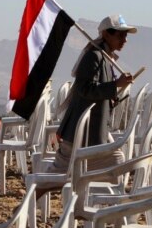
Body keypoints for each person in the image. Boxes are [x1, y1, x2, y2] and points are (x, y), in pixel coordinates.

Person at [51, 14, 136, 173]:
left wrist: (114, 93)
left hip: (93, 129)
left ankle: (101, 195)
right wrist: (116, 84)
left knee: (116, 160)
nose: (125, 40)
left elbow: (100, 89)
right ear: (105, 34)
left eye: (125, 35)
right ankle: (35, 192)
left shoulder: (106, 57)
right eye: (120, 35)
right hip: (80, 130)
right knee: (58, 175)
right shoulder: (93, 56)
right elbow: (84, 89)